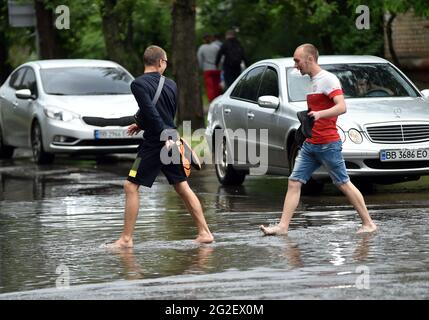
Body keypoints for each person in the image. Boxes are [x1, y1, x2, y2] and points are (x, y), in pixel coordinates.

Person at [260, 44, 377, 236]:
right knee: (294, 182)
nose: (295, 65)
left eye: (297, 61)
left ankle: (368, 223)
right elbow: (318, 111)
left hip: (328, 144)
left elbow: (341, 107)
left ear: (310, 59)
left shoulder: (328, 79)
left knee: (343, 182)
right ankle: (282, 227)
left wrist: (319, 114)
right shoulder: (313, 81)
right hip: (311, 144)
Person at [108, 45, 214, 248]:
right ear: (160, 62)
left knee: (130, 186)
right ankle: (204, 232)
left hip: (157, 141)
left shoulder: (138, 84)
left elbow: (151, 110)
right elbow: (163, 113)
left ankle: (126, 239)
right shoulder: (172, 84)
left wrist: (157, 131)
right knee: (182, 186)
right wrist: (143, 124)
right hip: (172, 138)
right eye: (166, 62)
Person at [197, 34, 222, 102]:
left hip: (207, 69)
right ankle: (218, 99)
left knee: (209, 86)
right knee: (217, 85)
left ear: (203, 40)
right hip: (216, 69)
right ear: (211, 39)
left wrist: (201, 68)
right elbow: (221, 58)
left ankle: (212, 100)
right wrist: (220, 66)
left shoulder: (202, 48)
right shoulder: (216, 47)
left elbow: (200, 59)